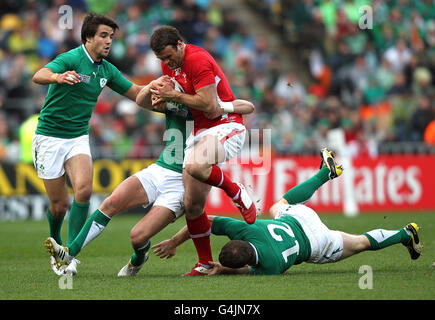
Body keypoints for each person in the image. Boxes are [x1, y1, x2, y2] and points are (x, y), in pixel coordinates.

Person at [44, 74, 255, 276]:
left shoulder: (206, 106)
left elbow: (247, 106)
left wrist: (219, 106)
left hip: (183, 183)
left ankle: (140, 255)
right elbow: (140, 100)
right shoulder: (172, 104)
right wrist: (154, 85)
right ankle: (69, 253)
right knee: (110, 203)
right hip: (160, 170)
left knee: (137, 237)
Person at [152, 150, 422, 275]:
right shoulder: (244, 229)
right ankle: (325, 174)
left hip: (316, 243)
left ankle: (404, 234)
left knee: (361, 242)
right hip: (298, 219)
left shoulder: (269, 265)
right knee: (277, 206)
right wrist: (175, 240)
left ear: (249, 261)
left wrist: (221, 269)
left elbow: (243, 272)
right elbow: (205, 220)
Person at [33, 13, 144, 274]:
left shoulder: (106, 69)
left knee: (83, 191)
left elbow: (136, 93)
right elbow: (40, 74)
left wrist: (164, 95)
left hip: (77, 137)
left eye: (111, 37)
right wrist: (57, 78)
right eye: (103, 36)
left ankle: (67, 255)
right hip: (49, 137)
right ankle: (55, 239)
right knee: (59, 206)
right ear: (88, 38)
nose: (109, 42)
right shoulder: (72, 58)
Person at [148, 25, 258, 276]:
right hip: (199, 131)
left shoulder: (197, 60)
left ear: (179, 44)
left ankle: (235, 190)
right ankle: (205, 263)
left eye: (169, 56)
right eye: (162, 59)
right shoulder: (170, 64)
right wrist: (163, 100)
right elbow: (179, 98)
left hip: (225, 125)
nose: (167, 62)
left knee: (195, 166)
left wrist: (174, 94)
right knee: (192, 204)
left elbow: (208, 104)